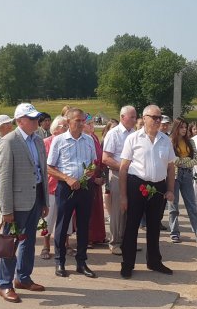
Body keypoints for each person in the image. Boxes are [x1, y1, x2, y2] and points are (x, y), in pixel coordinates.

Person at [0, 103, 49, 303]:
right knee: (10, 243)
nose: (36, 121)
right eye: (31, 118)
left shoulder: (38, 140)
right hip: (17, 203)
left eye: (37, 118)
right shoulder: (9, 141)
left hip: (35, 199)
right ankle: (5, 284)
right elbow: (3, 178)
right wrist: (6, 209)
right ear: (19, 121)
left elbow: (42, 171)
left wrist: (44, 200)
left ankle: (23, 278)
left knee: (29, 241)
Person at [119, 105, 175, 279]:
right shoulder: (133, 139)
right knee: (132, 226)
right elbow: (123, 168)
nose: (158, 121)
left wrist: (170, 189)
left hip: (158, 187)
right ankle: (127, 264)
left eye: (160, 118)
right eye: (155, 117)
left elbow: (171, 167)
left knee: (154, 226)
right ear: (144, 118)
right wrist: (123, 195)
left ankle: (154, 261)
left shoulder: (165, 140)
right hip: (137, 185)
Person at [47, 108, 98, 278]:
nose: (82, 123)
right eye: (78, 120)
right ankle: (60, 262)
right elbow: (49, 167)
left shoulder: (89, 140)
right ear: (68, 122)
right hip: (65, 188)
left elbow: (93, 162)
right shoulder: (59, 140)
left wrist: (91, 171)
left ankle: (81, 262)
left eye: (83, 120)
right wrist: (66, 178)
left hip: (84, 187)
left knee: (84, 225)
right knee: (62, 226)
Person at [168, 118, 197, 245]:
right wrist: (184, 162)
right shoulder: (170, 141)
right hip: (175, 176)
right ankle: (174, 233)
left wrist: (183, 162)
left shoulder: (190, 142)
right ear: (176, 128)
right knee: (173, 206)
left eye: (185, 127)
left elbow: (195, 160)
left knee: (192, 206)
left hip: (187, 175)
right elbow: (173, 160)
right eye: (181, 127)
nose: (184, 130)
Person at [102, 106, 137, 256]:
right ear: (123, 117)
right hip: (117, 175)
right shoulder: (113, 134)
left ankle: (126, 241)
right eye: (132, 117)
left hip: (133, 177)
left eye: (136, 117)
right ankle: (115, 242)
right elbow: (106, 158)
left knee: (130, 210)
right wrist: (124, 168)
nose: (135, 119)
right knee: (117, 211)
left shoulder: (135, 134)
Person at [40, 115, 68, 260]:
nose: (67, 129)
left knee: (65, 218)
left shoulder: (68, 142)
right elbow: (41, 165)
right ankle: (46, 245)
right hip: (50, 185)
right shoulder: (46, 142)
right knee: (48, 218)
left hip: (66, 186)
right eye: (64, 126)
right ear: (56, 129)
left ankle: (66, 244)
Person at [83, 116, 106, 247]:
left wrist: (101, 173)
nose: (91, 126)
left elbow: (100, 157)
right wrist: (93, 177)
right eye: (88, 123)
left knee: (98, 209)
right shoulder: (84, 139)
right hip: (88, 178)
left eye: (92, 123)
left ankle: (99, 236)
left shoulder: (94, 137)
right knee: (88, 210)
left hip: (97, 176)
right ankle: (88, 238)